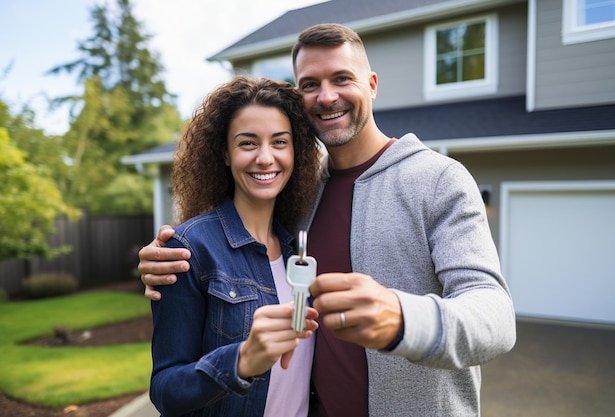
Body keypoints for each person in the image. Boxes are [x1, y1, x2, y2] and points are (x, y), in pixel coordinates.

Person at [139, 24, 516, 417]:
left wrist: (402, 318)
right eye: (309, 84)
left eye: (341, 78)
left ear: (371, 84)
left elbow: (496, 317)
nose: (327, 96)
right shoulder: (298, 198)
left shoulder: (438, 180)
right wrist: (164, 259)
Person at [148, 76, 322, 417]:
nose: (265, 157)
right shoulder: (190, 249)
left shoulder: (297, 250)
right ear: (225, 154)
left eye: (280, 142)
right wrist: (240, 361)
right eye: (247, 143)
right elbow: (165, 390)